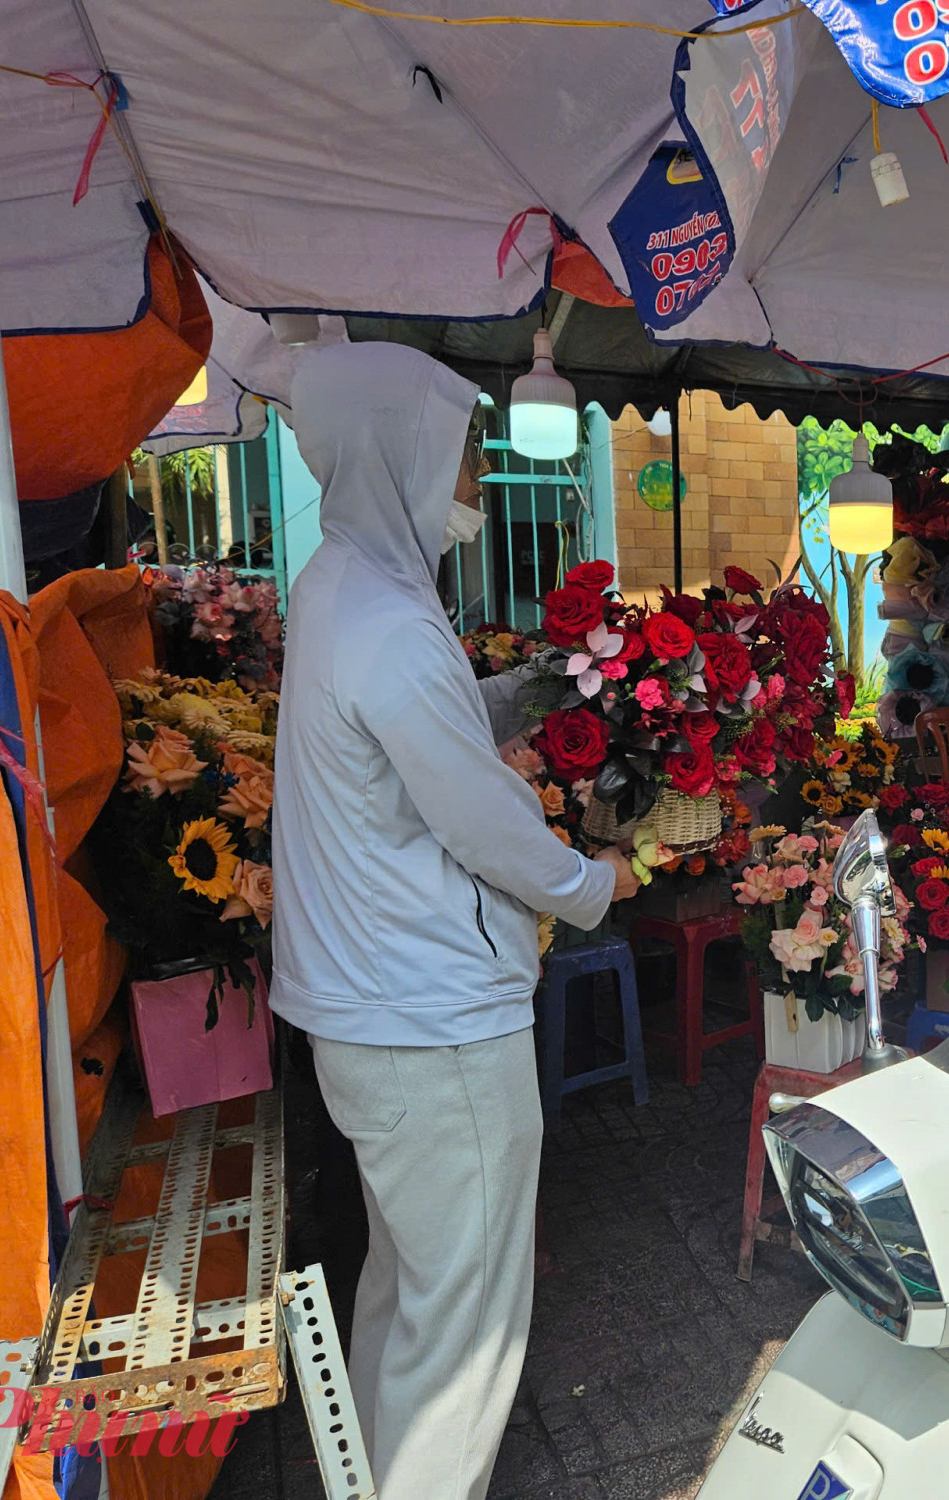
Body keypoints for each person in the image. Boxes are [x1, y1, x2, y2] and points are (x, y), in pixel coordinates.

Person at [272, 343, 638, 1500]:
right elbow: (481, 823)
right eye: (460, 444)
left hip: (370, 1017)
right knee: (465, 1338)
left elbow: (408, 731)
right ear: (398, 450)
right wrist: (595, 884)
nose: (473, 470)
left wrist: (526, 687)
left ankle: (373, 1477)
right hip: (430, 1025)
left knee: (408, 1288)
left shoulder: (339, 586)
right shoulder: (382, 618)